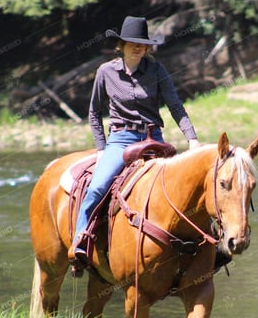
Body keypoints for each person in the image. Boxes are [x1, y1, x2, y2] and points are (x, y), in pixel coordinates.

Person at [69, 15, 201, 264]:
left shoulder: (157, 70)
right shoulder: (106, 72)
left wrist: (192, 139)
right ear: (121, 45)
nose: (138, 47)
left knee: (190, 185)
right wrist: (100, 148)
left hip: (154, 139)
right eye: (132, 43)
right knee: (98, 186)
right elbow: (94, 112)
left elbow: (175, 105)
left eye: (143, 43)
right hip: (121, 139)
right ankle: (81, 237)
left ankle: (209, 245)